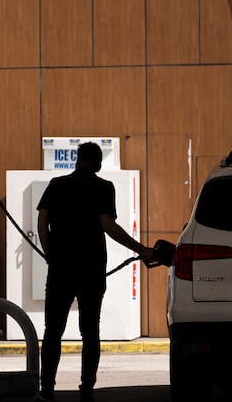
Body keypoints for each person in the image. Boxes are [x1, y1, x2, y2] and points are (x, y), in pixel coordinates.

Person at [34, 141, 154, 402]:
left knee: (52, 329)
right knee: (90, 331)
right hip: (91, 269)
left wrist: (50, 254)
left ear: (78, 160)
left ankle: (47, 389)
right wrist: (141, 248)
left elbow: (42, 220)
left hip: (60, 269)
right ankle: (86, 387)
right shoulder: (103, 187)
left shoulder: (57, 184)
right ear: (98, 163)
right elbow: (107, 224)